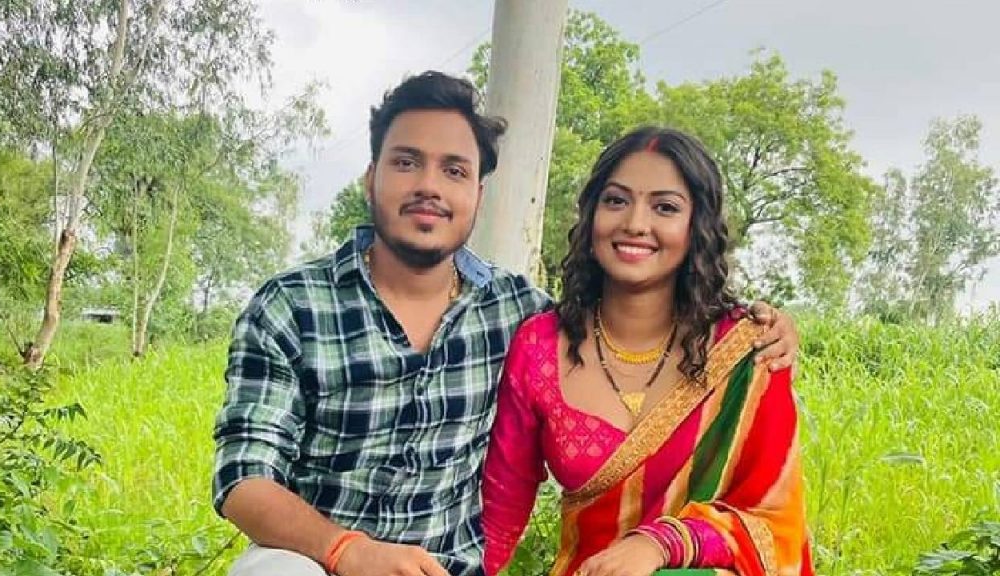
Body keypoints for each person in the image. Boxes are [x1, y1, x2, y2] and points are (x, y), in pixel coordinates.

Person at [212, 72, 800, 576]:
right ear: (372, 177)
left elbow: (503, 500)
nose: (428, 186)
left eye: (453, 170)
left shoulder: (516, 312)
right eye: (406, 162)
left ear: (478, 192)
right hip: (320, 562)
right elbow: (243, 478)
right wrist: (347, 551)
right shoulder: (293, 306)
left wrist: (774, 324)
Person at [482, 126, 813, 576]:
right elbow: (501, 510)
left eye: (665, 207)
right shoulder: (540, 346)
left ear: (697, 226)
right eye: (616, 200)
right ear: (591, 216)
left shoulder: (747, 349)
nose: (635, 223)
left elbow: (775, 524)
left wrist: (664, 543)